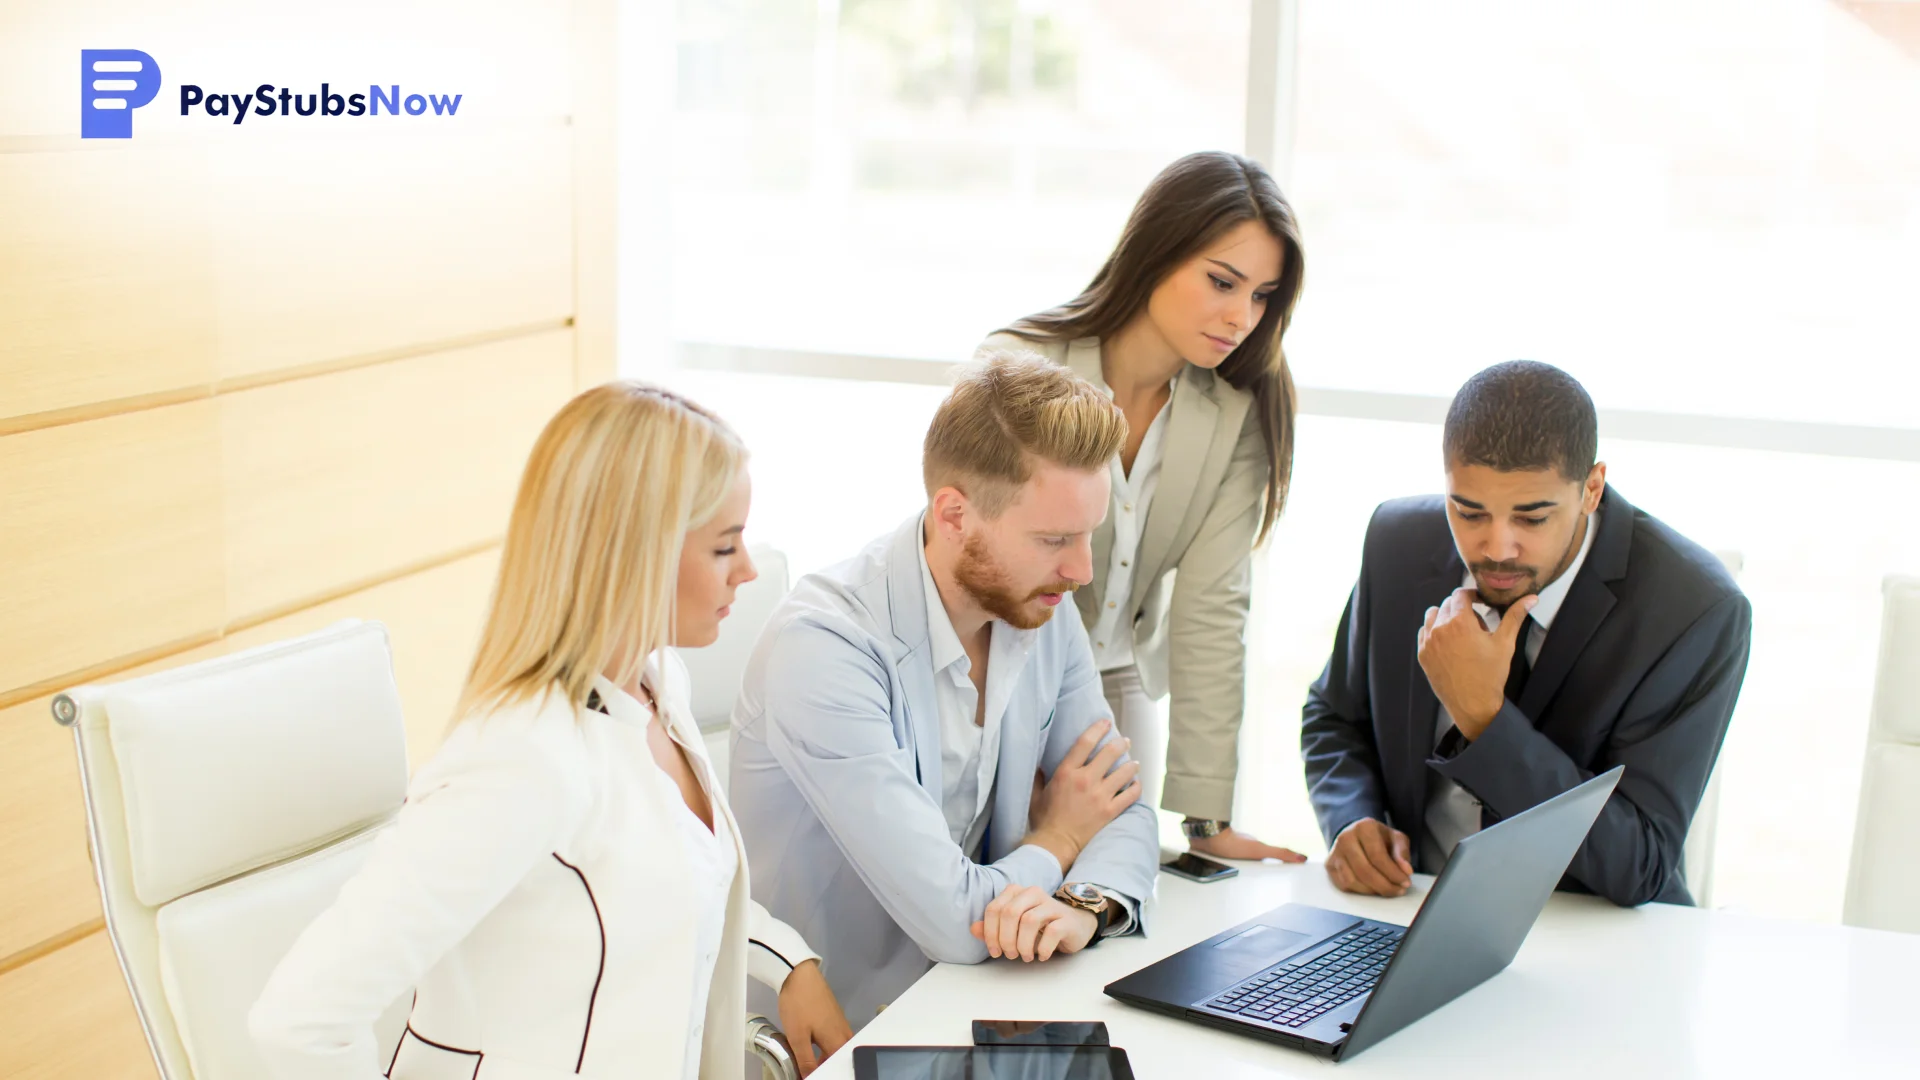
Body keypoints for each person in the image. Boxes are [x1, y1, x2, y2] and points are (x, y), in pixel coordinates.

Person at [250, 383, 852, 1079]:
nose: (749, 571)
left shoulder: (657, 689)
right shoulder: (520, 760)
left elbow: (666, 868)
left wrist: (786, 962)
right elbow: (299, 1021)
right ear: (636, 553)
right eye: (724, 547)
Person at [728, 352, 1160, 1027]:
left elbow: (1123, 806)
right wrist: (1060, 840)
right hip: (843, 1034)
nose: (1081, 569)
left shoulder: (1040, 605)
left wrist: (1084, 906)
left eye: (1089, 536)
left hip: (984, 1009)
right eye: (1054, 539)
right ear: (955, 515)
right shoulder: (823, 648)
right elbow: (954, 922)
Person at [1301, 361, 1751, 907]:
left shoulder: (1695, 611)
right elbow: (1334, 716)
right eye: (1468, 512)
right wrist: (1353, 817)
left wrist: (1484, 720)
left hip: (1592, 939)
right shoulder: (1397, 543)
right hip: (1408, 913)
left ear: (1591, 488)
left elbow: (1640, 863)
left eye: (1532, 519)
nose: (1497, 547)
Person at [980, 149, 1308, 862]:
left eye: (1262, 296)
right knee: (1002, 906)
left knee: (1119, 902)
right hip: (997, 684)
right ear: (1157, 251)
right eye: (1222, 281)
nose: (1241, 316)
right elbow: (968, 569)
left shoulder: (1237, 416)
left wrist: (1205, 820)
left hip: (1119, 690)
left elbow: (1213, 609)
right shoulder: (1016, 367)